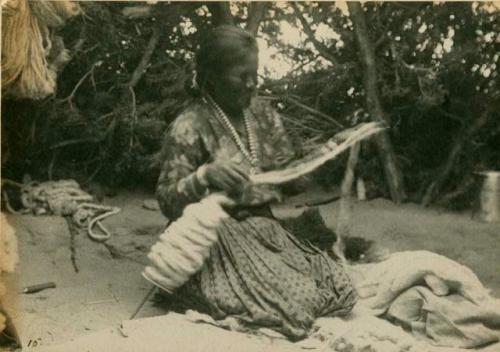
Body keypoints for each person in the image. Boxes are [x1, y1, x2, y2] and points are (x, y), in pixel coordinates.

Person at [156, 25, 356, 340]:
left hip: (265, 230)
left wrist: (329, 152)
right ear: (211, 76)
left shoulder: (262, 114)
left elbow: (290, 180)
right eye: (241, 76)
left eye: (255, 75)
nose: (251, 84)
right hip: (216, 238)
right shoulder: (190, 125)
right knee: (295, 306)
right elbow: (167, 200)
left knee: (338, 288)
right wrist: (203, 177)